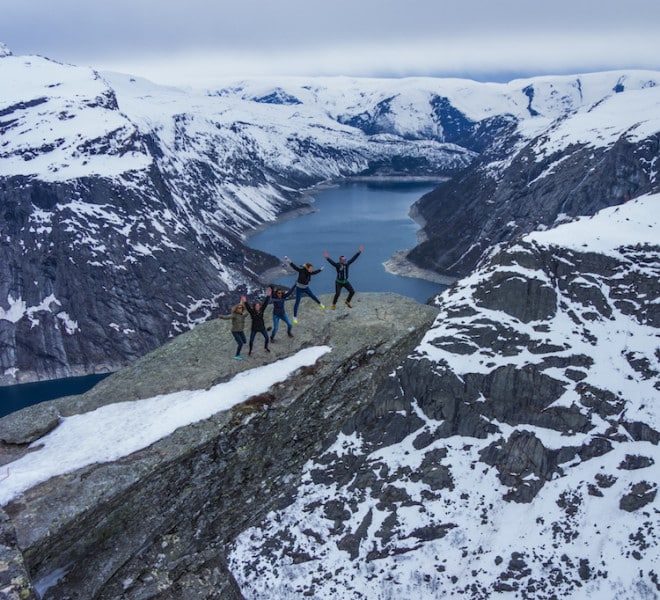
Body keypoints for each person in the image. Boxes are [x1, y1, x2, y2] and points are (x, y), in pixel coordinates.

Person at [284, 256, 325, 324]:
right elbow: (294, 266)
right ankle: (294, 317)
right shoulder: (301, 270)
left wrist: (320, 269)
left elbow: (314, 272)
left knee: (312, 296)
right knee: (297, 302)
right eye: (311, 268)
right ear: (307, 268)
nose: (312, 269)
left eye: (312, 268)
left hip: (305, 288)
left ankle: (320, 304)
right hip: (299, 288)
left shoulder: (310, 272)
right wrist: (288, 260)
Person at [218, 295, 248, 360]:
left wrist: (243, 302)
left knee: (244, 341)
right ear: (236, 309)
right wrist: (222, 317)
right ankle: (237, 355)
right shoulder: (234, 315)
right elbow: (228, 317)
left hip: (240, 331)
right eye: (238, 308)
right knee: (240, 343)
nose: (240, 309)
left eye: (241, 308)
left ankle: (238, 341)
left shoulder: (242, 315)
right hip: (235, 331)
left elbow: (247, 312)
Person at [245, 288, 272, 356]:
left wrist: (268, 295)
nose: (258, 307)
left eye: (259, 306)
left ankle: (266, 347)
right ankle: (250, 350)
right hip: (254, 328)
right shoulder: (252, 312)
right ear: (254, 307)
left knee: (267, 338)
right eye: (257, 306)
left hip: (262, 327)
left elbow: (265, 303)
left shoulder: (261, 310)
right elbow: (248, 308)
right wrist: (245, 301)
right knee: (251, 341)